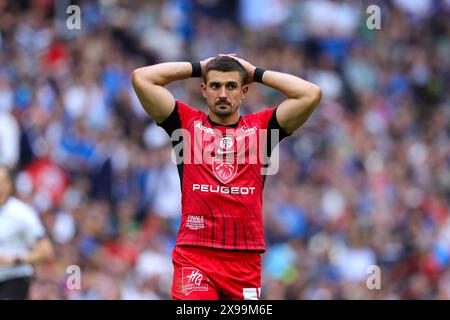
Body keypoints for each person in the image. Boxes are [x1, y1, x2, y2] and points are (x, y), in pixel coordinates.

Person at [132, 55, 321, 300]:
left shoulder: (262, 129)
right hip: (195, 255)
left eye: (231, 86)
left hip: (244, 261)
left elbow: (311, 93)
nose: (223, 93)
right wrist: (199, 67)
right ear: (203, 89)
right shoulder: (185, 124)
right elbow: (142, 78)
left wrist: (256, 72)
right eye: (215, 85)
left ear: (244, 91)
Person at [0, 164, 54, 299]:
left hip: (13, 279)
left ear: (9, 185)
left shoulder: (22, 213)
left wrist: (15, 259)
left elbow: (46, 250)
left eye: (2, 181)